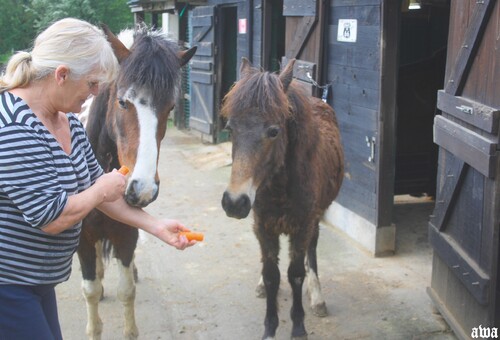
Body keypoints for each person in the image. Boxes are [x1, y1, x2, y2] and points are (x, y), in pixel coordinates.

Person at [0, 18, 195, 340]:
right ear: (62, 75)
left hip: (37, 281)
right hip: (7, 285)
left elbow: (106, 195)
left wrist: (156, 225)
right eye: (93, 84)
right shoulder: (12, 129)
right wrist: (99, 189)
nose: (96, 94)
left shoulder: (69, 122)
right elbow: (51, 218)